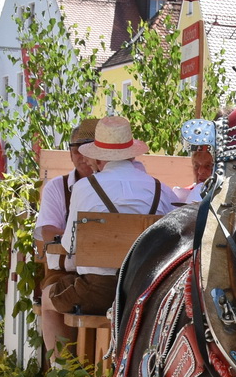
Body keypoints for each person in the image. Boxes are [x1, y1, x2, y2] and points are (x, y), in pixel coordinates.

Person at [49, 115, 176, 318]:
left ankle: (62, 351)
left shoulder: (83, 187)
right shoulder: (162, 190)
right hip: (145, 293)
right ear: (132, 156)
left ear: (99, 157)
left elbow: (70, 247)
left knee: (49, 296)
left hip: (98, 294)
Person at [35, 117, 97, 355]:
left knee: (50, 298)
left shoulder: (111, 184)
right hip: (67, 270)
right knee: (51, 292)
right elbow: (48, 230)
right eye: (77, 151)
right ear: (70, 155)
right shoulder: (57, 187)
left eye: (88, 150)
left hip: (106, 272)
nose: (82, 157)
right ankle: (61, 370)